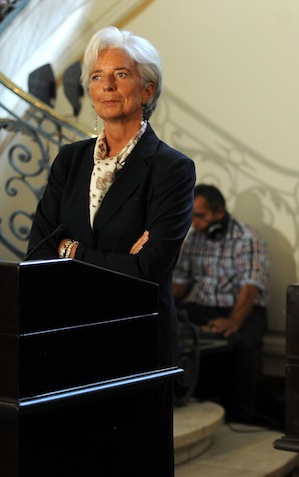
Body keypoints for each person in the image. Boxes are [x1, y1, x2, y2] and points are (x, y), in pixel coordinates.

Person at [26, 26, 196, 369]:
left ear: (147, 89)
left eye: (120, 74)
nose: (107, 85)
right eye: (97, 76)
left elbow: (145, 270)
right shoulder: (69, 160)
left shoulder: (172, 168)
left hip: (136, 340)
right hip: (69, 334)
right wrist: (116, 260)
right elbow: (38, 253)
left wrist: (70, 250)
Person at [172, 184, 270, 424]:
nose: (194, 222)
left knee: (241, 343)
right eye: (191, 216)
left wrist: (233, 321)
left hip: (244, 309)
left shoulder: (246, 237)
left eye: (200, 216)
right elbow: (181, 287)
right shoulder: (193, 238)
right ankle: (190, 400)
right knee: (171, 326)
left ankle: (241, 416)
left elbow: (250, 287)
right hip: (204, 308)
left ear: (219, 212)